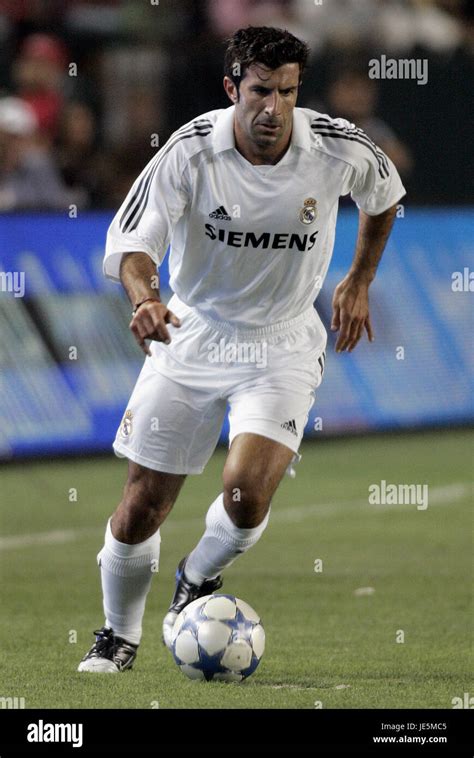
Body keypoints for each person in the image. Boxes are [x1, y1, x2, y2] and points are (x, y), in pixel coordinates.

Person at [78, 26, 405, 672]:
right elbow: (132, 245)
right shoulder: (188, 151)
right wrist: (145, 298)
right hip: (191, 334)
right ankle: (118, 635)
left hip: (281, 340)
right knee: (142, 504)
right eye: (259, 91)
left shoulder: (336, 147)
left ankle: (196, 578)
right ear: (232, 88)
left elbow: (385, 194)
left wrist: (359, 279)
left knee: (245, 494)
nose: (273, 108)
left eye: (286, 92)